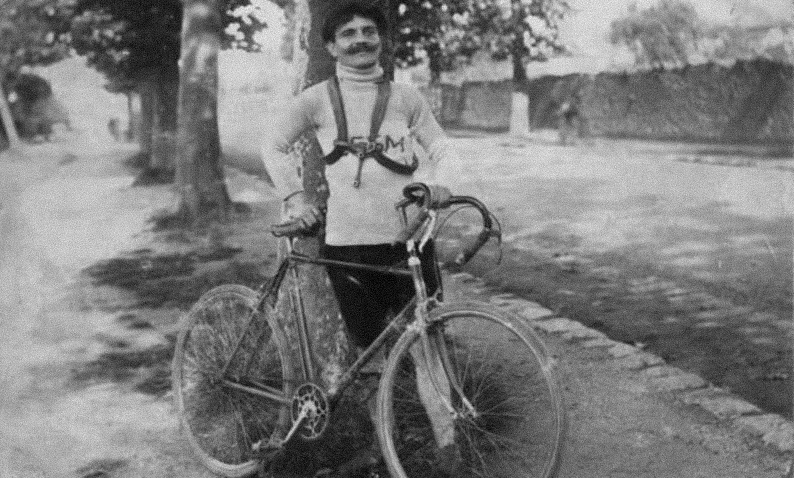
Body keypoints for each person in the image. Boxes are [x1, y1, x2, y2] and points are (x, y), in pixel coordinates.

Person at [264, 2, 461, 475]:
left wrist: (435, 183)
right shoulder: (315, 100)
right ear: (330, 46)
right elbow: (272, 146)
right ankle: (384, 449)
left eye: (369, 31)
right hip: (349, 247)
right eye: (347, 33)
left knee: (428, 345)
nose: (359, 40)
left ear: (382, 40)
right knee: (371, 357)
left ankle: (451, 451)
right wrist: (295, 197)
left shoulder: (407, 97)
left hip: (409, 244)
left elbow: (440, 146)